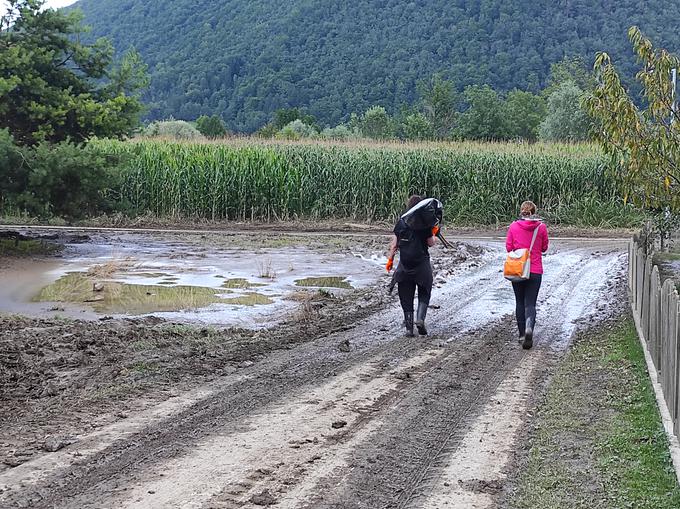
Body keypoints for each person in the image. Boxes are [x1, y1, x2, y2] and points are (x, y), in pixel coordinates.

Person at [387, 195, 436, 336]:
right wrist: (433, 232)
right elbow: (431, 243)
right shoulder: (425, 223)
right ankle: (420, 319)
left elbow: (394, 245)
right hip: (421, 265)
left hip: (405, 266)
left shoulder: (401, 222)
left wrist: (390, 260)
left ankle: (409, 328)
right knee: (424, 291)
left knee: (406, 296)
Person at [506, 200, 549, 349]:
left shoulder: (513, 226)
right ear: (534, 212)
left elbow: (509, 248)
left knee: (519, 302)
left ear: (521, 211)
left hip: (518, 269)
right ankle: (530, 326)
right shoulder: (541, 228)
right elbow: (544, 248)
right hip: (535, 270)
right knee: (530, 303)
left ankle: (522, 334)